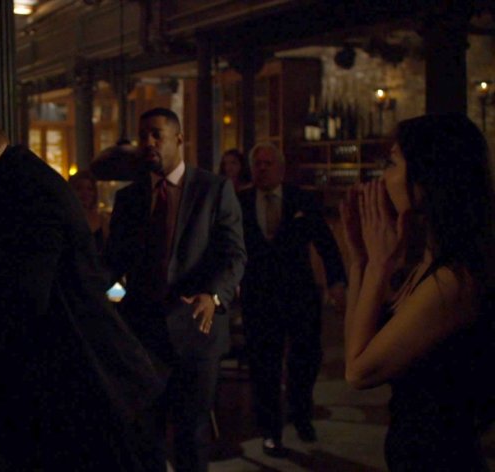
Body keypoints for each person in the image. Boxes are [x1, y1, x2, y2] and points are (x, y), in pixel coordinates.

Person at [0, 100, 162, 471]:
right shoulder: (4, 188)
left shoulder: (26, 190)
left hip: (85, 399)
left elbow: (22, 297)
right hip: (57, 401)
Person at [341, 113, 494, 471]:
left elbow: (358, 372)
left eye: (391, 163)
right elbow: (355, 342)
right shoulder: (428, 261)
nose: (382, 178)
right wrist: (360, 263)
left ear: (427, 180)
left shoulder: (453, 280)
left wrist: (378, 267)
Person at [104, 107, 246, 472]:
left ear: (179, 138)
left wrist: (213, 296)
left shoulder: (214, 190)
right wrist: (117, 303)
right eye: (143, 136)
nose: (148, 143)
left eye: (156, 134)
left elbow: (234, 256)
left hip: (196, 330)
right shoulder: (129, 199)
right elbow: (111, 269)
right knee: (144, 434)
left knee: (191, 434)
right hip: (143, 334)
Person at [237, 142, 345, 457]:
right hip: (259, 296)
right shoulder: (240, 202)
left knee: (305, 360)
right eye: (257, 164)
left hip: (299, 294)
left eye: (268, 164)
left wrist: (337, 280)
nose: (262, 169)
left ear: (281, 169)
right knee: (264, 365)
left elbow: (325, 243)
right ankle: (271, 429)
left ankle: (301, 414)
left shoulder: (301, 199)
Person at [69, 170, 110, 254]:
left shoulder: (102, 220)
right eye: (79, 188)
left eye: (90, 189)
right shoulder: (67, 219)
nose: (85, 193)